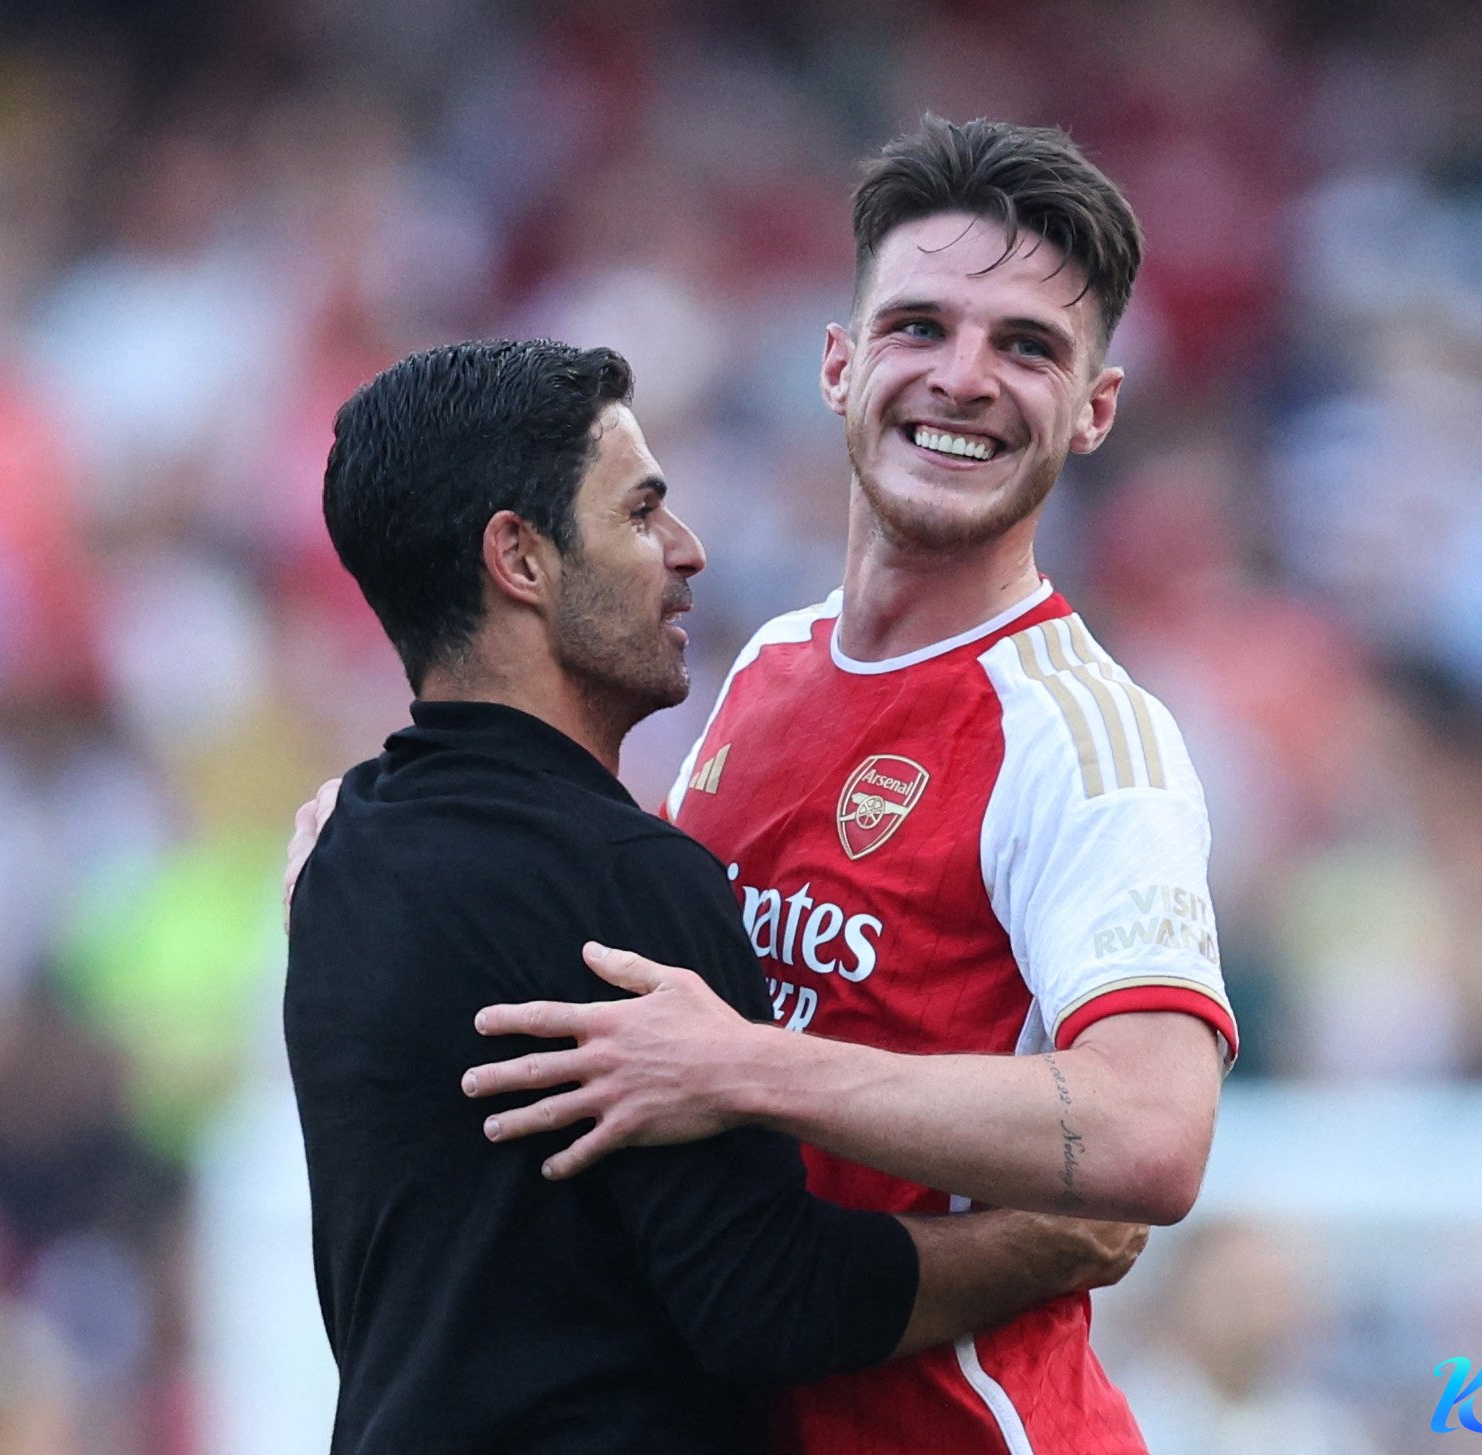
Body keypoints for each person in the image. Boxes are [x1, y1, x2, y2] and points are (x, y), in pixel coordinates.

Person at [447, 117, 1240, 1454]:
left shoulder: (1084, 738)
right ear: (838, 363)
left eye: (1027, 347)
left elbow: (1152, 1134)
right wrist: (398, 820)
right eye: (919, 325)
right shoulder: (765, 662)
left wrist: (745, 1069)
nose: (962, 377)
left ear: (1095, 409)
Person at [285, 337, 1148, 1455]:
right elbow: (761, 1299)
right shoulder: (622, 878)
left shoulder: (341, 853)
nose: (686, 551)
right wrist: (1055, 1238)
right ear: (520, 559)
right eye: (640, 513)